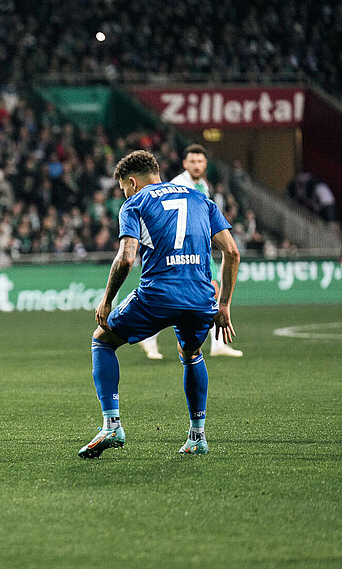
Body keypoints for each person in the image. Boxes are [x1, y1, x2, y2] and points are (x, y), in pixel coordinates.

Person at [80, 150, 240, 458]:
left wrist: (107, 300)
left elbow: (126, 258)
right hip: (200, 297)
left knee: (102, 340)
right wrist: (224, 305)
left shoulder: (135, 203)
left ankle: (111, 425)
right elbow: (232, 252)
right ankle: (197, 437)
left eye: (123, 189)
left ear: (132, 182)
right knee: (191, 354)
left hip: (157, 295)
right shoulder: (201, 199)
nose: (124, 195)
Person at [139, 144, 243, 359]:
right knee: (172, 296)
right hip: (182, 249)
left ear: (205, 164)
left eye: (200, 161)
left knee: (212, 292)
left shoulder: (202, 185)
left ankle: (217, 344)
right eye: (192, 161)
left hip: (200, 249)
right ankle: (148, 338)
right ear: (185, 164)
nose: (196, 165)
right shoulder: (178, 184)